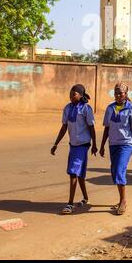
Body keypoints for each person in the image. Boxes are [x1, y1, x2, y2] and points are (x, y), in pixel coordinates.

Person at [51, 84, 97, 214]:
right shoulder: (67, 108)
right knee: (80, 174)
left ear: (81, 95)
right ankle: (86, 197)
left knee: (73, 172)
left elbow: (91, 127)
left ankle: (70, 204)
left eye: (74, 93)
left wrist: (94, 144)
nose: (71, 96)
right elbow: (64, 127)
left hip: (83, 145)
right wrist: (56, 143)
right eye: (70, 93)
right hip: (73, 144)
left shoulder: (86, 109)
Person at [99, 82, 132, 215]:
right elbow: (107, 128)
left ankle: (123, 201)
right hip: (113, 144)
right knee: (114, 172)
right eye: (116, 92)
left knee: (119, 170)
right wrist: (101, 146)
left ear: (126, 94)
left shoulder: (131, 108)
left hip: (126, 144)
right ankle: (120, 200)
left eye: (120, 93)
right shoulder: (110, 108)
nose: (118, 95)